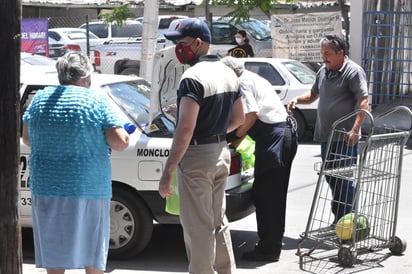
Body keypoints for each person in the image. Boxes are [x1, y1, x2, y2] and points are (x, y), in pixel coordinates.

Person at [22, 52, 130, 274]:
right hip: (88, 187)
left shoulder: (40, 100)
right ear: (86, 76)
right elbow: (119, 142)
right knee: (93, 252)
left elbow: (27, 138)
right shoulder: (97, 100)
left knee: (54, 252)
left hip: (46, 187)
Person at [159, 18, 245, 274]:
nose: (178, 49)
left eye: (182, 43)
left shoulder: (192, 77)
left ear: (198, 43)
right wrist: (214, 130)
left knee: (198, 227)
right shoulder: (228, 72)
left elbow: (185, 128)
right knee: (218, 222)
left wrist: (168, 171)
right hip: (220, 153)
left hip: (197, 156)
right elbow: (238, 119)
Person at [222, 56, 298, 262]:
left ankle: (268, 249)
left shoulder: (241, 82)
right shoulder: (253, 77)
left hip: (276, 138)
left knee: (268, 197)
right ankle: (270, 244)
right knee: (269, 195)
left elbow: (251, 115)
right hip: (281, 135)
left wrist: (233, 137)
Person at [287, 35, 369, 224]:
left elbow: (363, 101)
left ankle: (348, 222)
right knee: (332, 178)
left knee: (344, 181)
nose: (324, 58)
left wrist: (355, 129)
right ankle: (341, 219)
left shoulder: (353, 72)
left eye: (328, 54)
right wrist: (298, 99)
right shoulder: (323, 71)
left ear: (341, 53)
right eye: (322, 53)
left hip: (345, 138)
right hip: (326, 136)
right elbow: (314, 95)